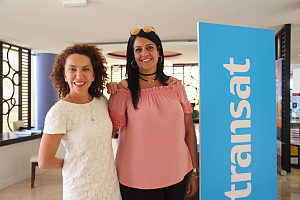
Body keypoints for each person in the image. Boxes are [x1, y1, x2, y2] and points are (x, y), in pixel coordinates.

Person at [108, 26, 199, 200]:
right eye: (138, 49)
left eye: (149, 47)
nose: (144, 53)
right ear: (133, 56)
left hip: (177, 172)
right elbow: (107, 132)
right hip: (136, 178)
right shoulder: (123, 90)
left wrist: (194, 171)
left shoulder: (175, 87)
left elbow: (188, 131)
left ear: (159, 52)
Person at [38, 44, 122, 200]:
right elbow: (45, 161)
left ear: (94, 74)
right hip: (81, 189)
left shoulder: (101, 101)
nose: (79, 75)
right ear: (64, 75)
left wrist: (118, 91)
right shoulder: (60, 111)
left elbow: (107, 134)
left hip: (109, 185)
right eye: (72, 69)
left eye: (85, 69)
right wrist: (76, 164)